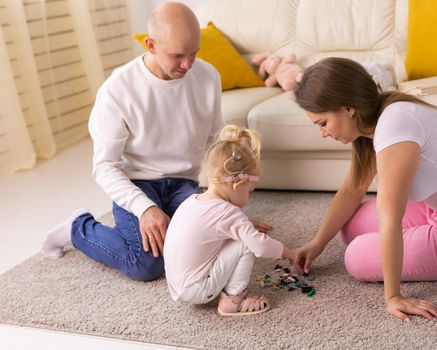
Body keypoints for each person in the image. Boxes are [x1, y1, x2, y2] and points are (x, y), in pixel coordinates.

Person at [292, 57, 437, 321]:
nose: (323, 133)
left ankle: (411, 249)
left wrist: (393, 296)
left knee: (356, 257)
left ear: (348, 108)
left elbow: (391, 219)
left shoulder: (395, 127)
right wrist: (318, 242)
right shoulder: (383, 112)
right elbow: (353, 190)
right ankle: (416, 241)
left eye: (322, 123)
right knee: (350, 226)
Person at [40, 2, 224, 281]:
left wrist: (222, 204)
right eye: (177, 56)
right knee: (146, 264)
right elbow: (105, 167)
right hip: (137, 184)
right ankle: (77, 228)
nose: (187, 64)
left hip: (184, 184)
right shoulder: (117, 90)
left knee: (211, 246)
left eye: (193, 53)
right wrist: (145, 209)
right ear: (150, 45)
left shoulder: (208, 76)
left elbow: (215, 142)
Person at [164, 125, 294, 316]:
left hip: (176, 286)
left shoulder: (191, 202)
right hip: (197, 289)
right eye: (249, 191)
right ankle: (233, 300)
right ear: (237, 183)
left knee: (235, 236)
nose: (248, 197)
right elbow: (260, 246)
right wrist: (288, 252)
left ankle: (221, 291)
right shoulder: (229, 212)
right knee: (246, 243)